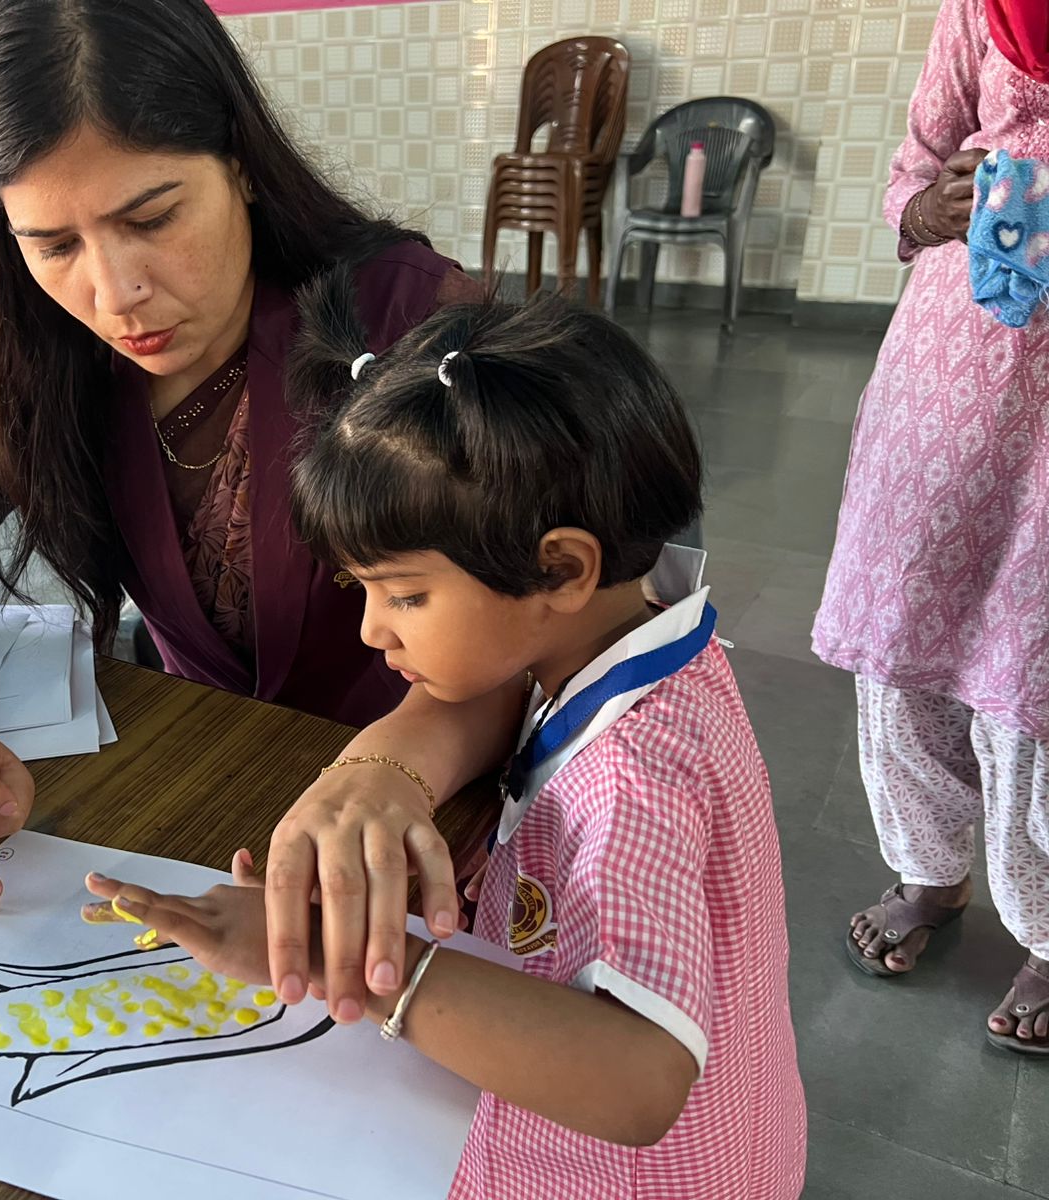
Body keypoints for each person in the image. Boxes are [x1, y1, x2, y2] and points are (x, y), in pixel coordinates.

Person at [0, 0, 517, 1015]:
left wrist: (396, 764)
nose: (114, 292)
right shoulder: (40, 367)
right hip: (203, 808)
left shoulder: (405, 322)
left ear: (240, 164)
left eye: (152, 218)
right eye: (53, 244)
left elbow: (553, 620)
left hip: (427, 820)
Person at [84, 276, 807, 1198]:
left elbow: (639, 1080)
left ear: (561, 569)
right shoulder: (639, 630)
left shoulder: (633, 776)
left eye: (406, 595)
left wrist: (343, 954)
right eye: (362, 591)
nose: (372, 631)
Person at [814, 0, 1049, 1054]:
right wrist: (931, 208)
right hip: (951, 365)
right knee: (907, 619)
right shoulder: (985, 9)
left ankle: (1048, 928)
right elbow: (914, 165)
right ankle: (929, 872)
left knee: (1032, 653)